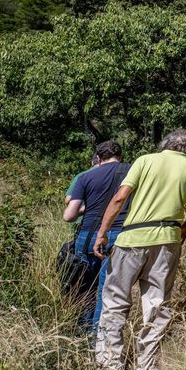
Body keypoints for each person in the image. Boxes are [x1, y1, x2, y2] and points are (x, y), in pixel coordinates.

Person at [93, 129, 186, 370]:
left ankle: (110, 367)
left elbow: (119, 198)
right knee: (157, 305)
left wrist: (102, 233)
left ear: (164, 144)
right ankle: (146, 368)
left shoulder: (145, 160)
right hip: (168, 241)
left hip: (132, 239)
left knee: (115, 301)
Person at [61, 141, 130, 334]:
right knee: (107, 289)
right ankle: (101, 335)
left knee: (86, 286)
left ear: (98, 158)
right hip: (119, 234)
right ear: (120, 156)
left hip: (88, 235)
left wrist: (88, 208)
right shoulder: (131, 172)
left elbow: (69, 216)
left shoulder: (85, 176)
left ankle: (85, 332)